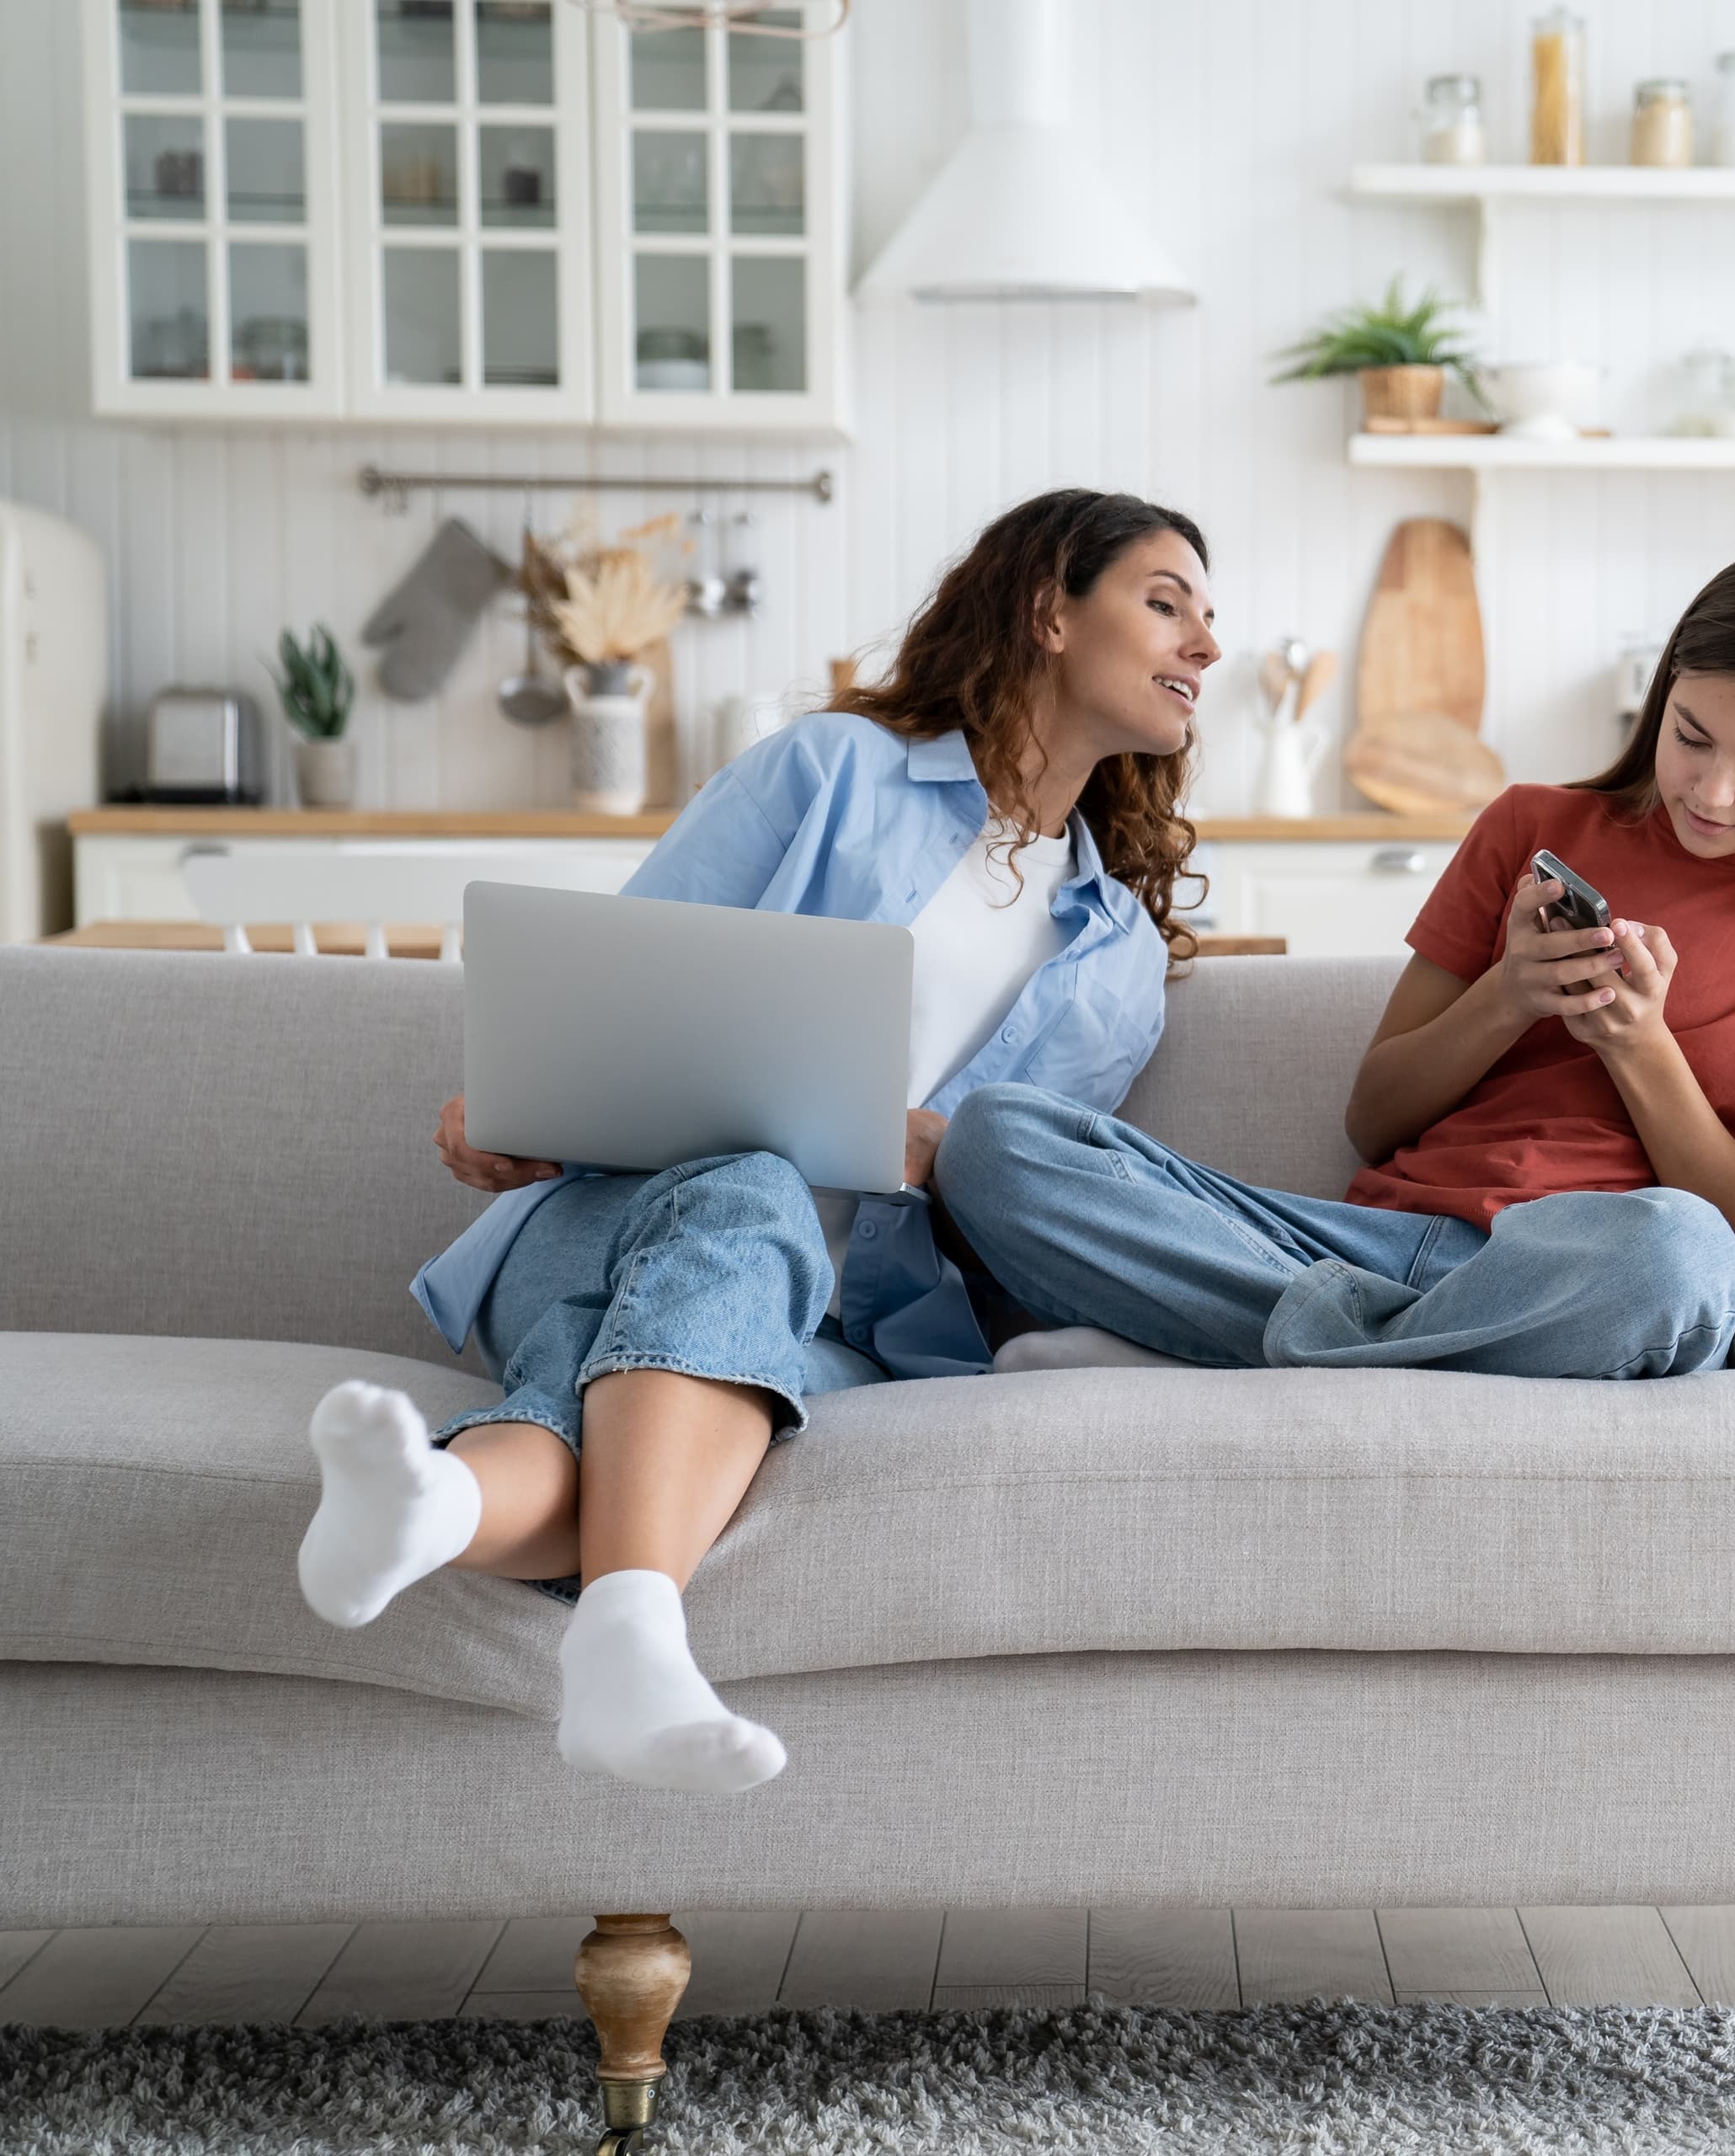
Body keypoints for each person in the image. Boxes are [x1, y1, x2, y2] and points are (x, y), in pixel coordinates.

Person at [291, 488, 1219, 1795]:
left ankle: (434, 1510)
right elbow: (621, 1001)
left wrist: (944, 1156)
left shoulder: (1118, 954)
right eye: (1165, 602)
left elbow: (1034, 1208)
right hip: (625, 1228)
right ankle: (630, 1649)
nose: (1205, 647)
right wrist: (518, 1117)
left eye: (1206, 619)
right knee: (752, 1188)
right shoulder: (829, 771)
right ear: (1047, 612)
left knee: (634, 1410)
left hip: (847, 1334)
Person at [937, 541, 1735, 1380]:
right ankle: (1357, 1343)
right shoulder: (1531, 824)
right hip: (1353, 1247)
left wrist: (1640, 1048)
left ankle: (1222, 1339)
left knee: (1682, 1256)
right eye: (1691, 737)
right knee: (993, 1139)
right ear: (1665, 694)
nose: (1712, 791)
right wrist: (1508, 995)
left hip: (1578, 1270)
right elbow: (1373, 1116)